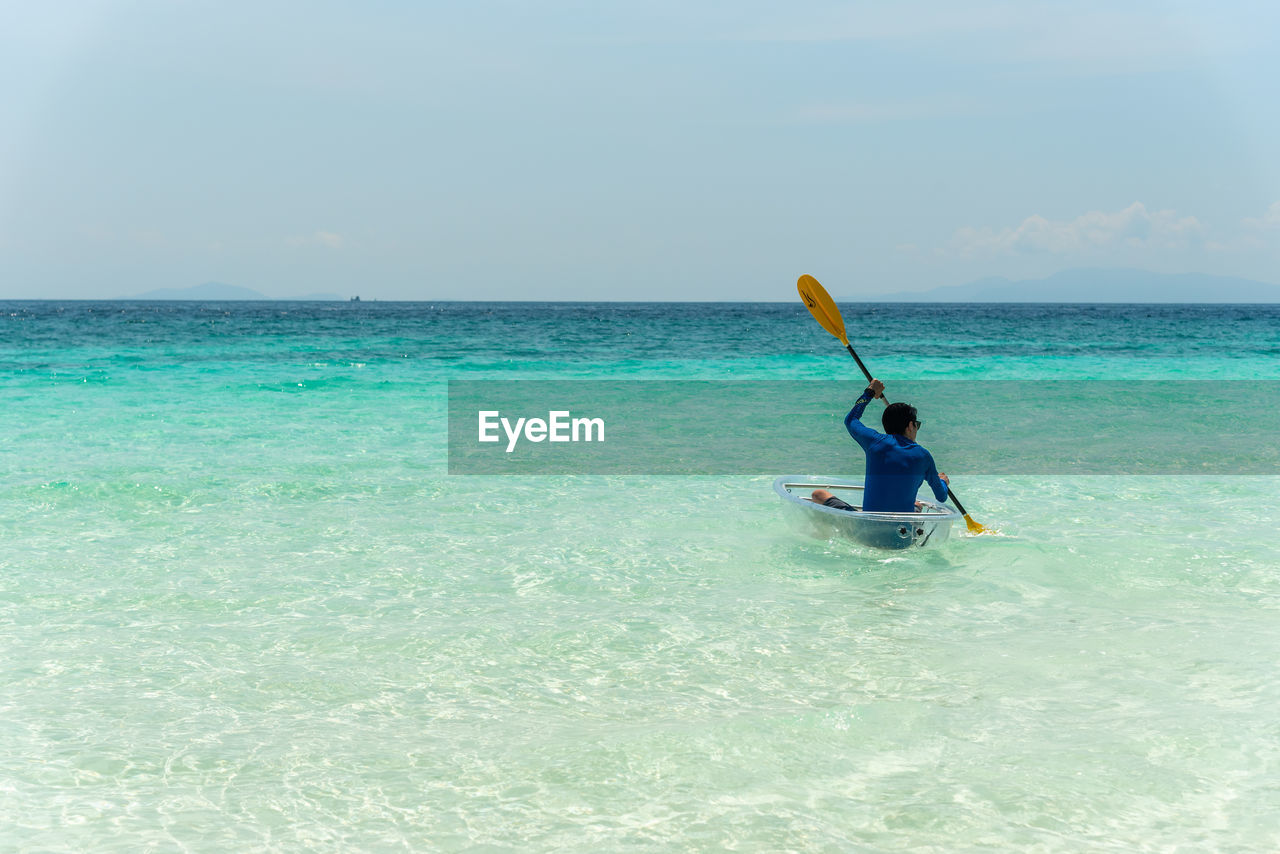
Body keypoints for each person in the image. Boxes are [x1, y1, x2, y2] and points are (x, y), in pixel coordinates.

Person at [811, 379, 950, 513]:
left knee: (819, 494)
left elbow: (850, 419)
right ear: (910, 426)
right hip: (901, 530)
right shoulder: (923, 455)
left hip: (867, 526)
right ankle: (915, 508)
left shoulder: (874, 441)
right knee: (915, 503)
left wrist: (870, 392)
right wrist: (943, 482)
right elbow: (941, 496)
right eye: (917, 425)